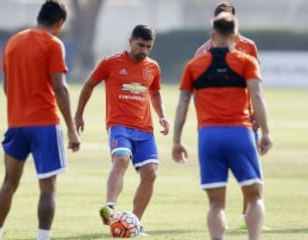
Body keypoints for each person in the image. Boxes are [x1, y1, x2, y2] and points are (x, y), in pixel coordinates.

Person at [172, 12, 272, 240]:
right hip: (240, 133)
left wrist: (177, 141)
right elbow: (257, 96)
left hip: (209, 136)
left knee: (216, 203)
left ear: (212, 35)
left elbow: (182, 104)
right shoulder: (247, 62)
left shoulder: (194, 65)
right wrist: (265, 132)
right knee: (255, 196)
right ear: (236, 35)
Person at [0, 1, 80, 240]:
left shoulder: (13, 42)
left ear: (39, 16)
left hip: (16, 124)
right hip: (45, 125)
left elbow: (7, 86)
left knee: (9, 182)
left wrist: (21, 106)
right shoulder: (53, 44)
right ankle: (42, 237)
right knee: (48, 189)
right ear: (59, 23)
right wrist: (72, 129)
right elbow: (60, 89)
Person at [74, 24, 170, 236]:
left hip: (145, 129)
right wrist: (79, 114)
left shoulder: (153, 67)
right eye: (140, 45)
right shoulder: (111, 62)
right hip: (119, 125)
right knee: (121, 159)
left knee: (151, 173)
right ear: (130, 41)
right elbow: (89, 84)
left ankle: (134, 224)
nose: (144, 50)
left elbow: (155, 93)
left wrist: (162, 116)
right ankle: (109, 208)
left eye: (148, 46)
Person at [195, 2, 267, 230]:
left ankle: (249, 218)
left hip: (245, 116)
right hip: (217, 120)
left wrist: (256, 111)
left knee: (254, 171)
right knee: (222, 183)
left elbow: (256, 83)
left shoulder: (249, 46)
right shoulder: (203, 51)